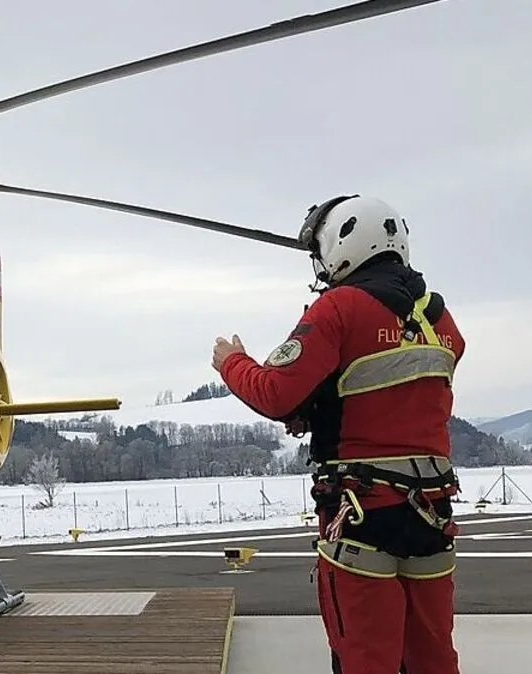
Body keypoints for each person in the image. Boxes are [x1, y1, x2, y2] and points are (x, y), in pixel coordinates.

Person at [210, 195, 464, 674]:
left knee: (366, 658)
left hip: (364, 514)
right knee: (433, 657)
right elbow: (391, 394)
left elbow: (274, 393)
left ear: (339, 245)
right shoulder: (440, 321)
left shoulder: (339, 308)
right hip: (431, 513)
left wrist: (231, 363)